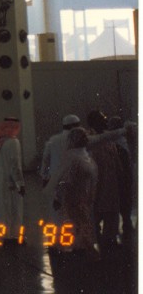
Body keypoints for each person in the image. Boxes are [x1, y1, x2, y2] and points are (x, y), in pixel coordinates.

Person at [51, 127, 98, 257]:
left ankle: (81, 250)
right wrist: (58, 196)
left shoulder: (83, 155)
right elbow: (65, 180)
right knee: (79, 226)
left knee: (82, 225)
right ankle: (81, 251)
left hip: (84, 197)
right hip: (75, 198)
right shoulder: (73, 157)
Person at [86, 110, 123, 250]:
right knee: (95, 212)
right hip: (96, 183)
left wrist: (120, 174)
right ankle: (95, 239)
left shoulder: (108, 139)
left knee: (112, 212)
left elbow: (115, 158)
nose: (105, 121)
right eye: (102, 119)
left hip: (111, 183)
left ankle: (110, 238)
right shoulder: (88, 137)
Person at [0, 117, 25, 246]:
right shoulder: (13, 143)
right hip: (10, 182)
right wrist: (20, 183)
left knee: (2, 209)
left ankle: (4, 235)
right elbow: (15, 166)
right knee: (14, 209)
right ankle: (13, 237)